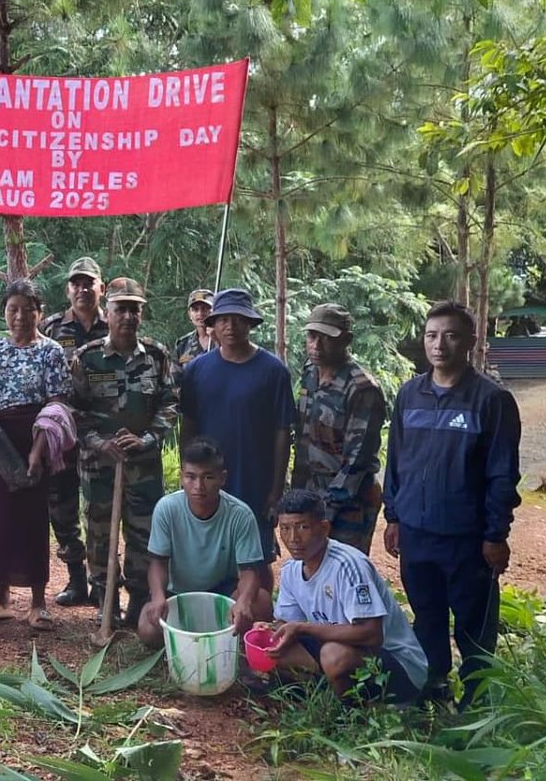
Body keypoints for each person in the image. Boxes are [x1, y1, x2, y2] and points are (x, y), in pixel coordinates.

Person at [383, 300, 521, 708]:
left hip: (467, 538)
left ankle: (477, 701)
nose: (439, 344)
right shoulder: (410, 395)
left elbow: (502, 474)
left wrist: (495, 535)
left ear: (470, 342)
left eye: (450, 335)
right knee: (426, 616)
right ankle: (434, 685)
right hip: (417, 534)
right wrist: (393, 515)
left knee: (474, 626)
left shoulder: (491, 401)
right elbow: (396, 461)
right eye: (431, 335)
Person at [0, 279, 71, 630]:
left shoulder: (50, 350)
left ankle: (38, 602)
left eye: (28, 309)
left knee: (30, 520)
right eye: (13, 309)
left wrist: (39, 449)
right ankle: (2, 598)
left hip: (31, 441)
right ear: (3, 312)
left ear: (40, 312)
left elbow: (57, 402)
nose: (20, 316)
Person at [71, 277, 178, 628]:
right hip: (99, 466)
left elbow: (170, 403)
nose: (128, 316)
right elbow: (74, 411)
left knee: (143, 536)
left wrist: (147, 438)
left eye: (135, 309)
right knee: (100, 536)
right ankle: (105, 603)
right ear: (108, 311)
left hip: (143, 466)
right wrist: (98, 442)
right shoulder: (86, 359)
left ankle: (139, 603)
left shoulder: (157, 356)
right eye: (121, 309)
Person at [178, 288, 295, 591]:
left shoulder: (273, 371)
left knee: (257, 554)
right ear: (212, 325)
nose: (231, 327)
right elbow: (187, 424)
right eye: (224, 320)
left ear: (251, 324)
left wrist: (276, 488)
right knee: (211, 546)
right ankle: (214, 611)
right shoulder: (196, 370)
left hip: (254, 476)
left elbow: (283, 430)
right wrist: (187, 475)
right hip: (208, 477)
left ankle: (259, 619)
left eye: (239, 320)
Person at [268, 489, 427, 702]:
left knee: (334, 655)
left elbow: (372, 635)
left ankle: (352, 715)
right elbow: (289, 622)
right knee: (275, 649)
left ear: (324, 528)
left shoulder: (348, 565)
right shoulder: (291, 571)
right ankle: (328, 695)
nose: (293, 538)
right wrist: (273, 628)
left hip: (397, 664)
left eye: (302, 527)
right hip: (348, 654)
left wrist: (303, 628)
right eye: (285, 529)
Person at [138, 439, 271, 648]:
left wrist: (243, 601)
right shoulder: (166, 508)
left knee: (260, 602)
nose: (199, 486)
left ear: (222, 478)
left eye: (208, 477)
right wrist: (158, 596)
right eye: (191, 477)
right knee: (148, 629)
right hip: (178, 592)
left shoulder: (241, 514)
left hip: (222, 590)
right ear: (181, 476)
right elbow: (158, 562)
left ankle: (235, 649)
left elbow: (249, 571)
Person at [39, 256, 108, 607]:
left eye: (89, 283)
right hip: (63, 436)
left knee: (99, 510)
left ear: (101, 288)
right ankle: (76, 580)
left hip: (100, 431)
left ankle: (102, 585)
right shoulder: (51, 328)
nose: (83, 289)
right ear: (68, 290)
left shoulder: (114, 328)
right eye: (76, 284)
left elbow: (121, 374)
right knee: (62, 510)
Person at [291, 304, 386, 554]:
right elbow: (302, 437)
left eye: (327, 338)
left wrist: (327, 510)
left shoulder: (361, 388)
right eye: (312, 336)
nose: (317, 345)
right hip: (312, 493)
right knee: (310, 570)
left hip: (349, 504)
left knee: (343, 570)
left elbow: (357, 461)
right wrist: (297, 493)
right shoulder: (310, 373)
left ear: (346, 340)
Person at [174, 288, 216, 367]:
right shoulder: (183, 344)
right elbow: (176, 376)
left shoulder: (224, 341)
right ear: (189, 314)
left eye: (205, 309)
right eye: (195, 310)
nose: (200, 314)